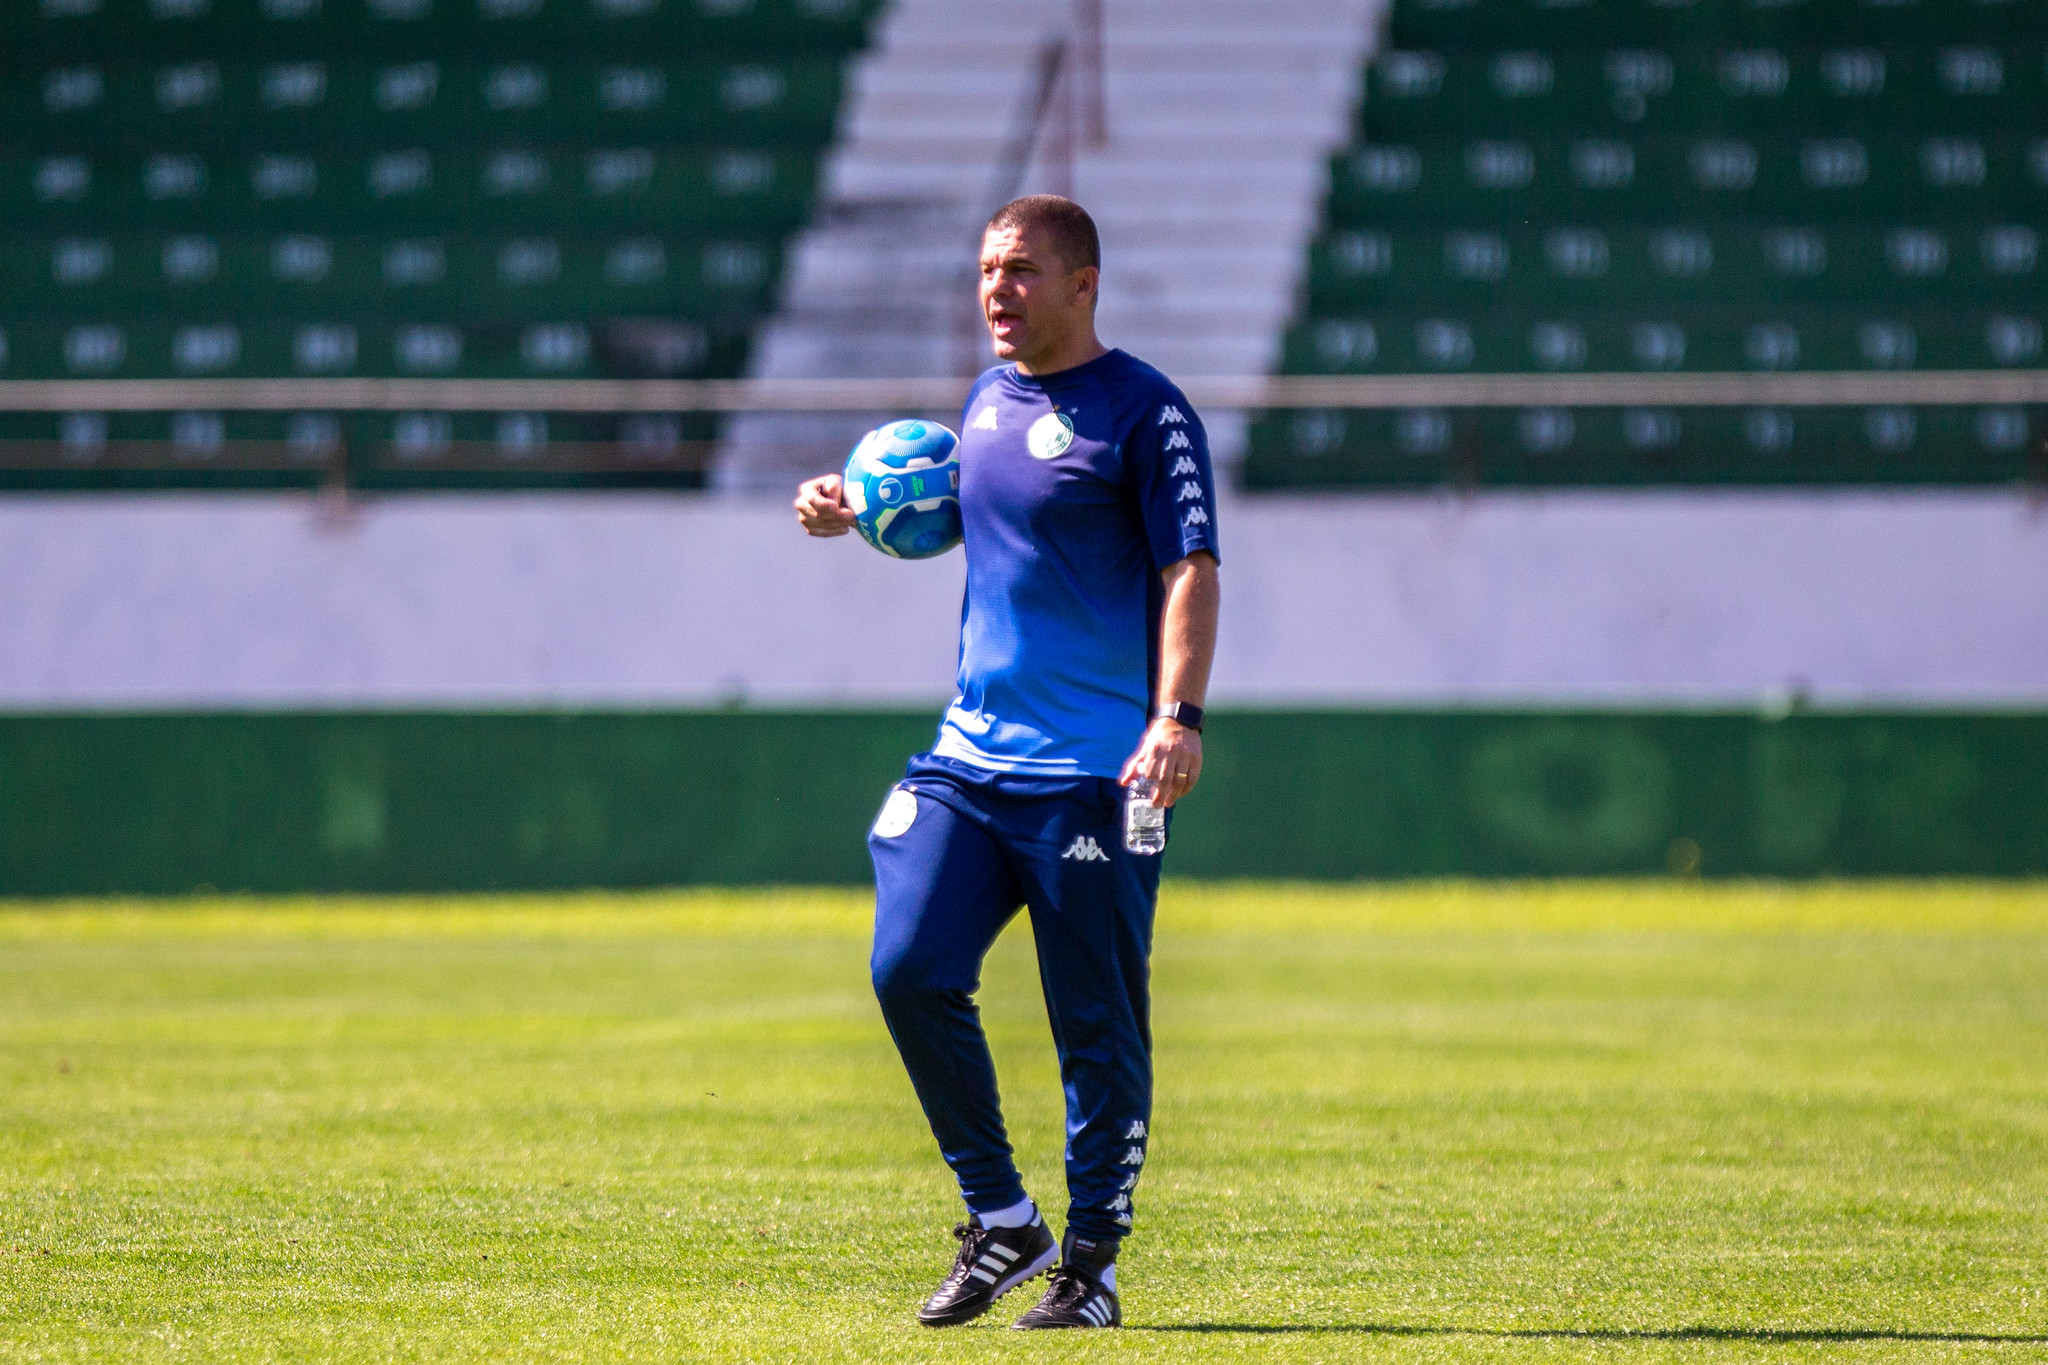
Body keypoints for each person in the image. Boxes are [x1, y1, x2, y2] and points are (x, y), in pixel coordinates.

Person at [793, 194, 1221, 1330]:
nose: (996, 289)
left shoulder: (1146, 412)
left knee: (1094, 1021)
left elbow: (1191, 569)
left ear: (1083, 282)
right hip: (970, 761)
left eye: (1021, 269)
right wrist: (854, 509)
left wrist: (1175, 717)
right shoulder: (983, 402)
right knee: (908, 967)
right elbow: (963, 518)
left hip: (1097, 775)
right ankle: (1001, 1220)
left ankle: (1090, 1262)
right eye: (988, 268)